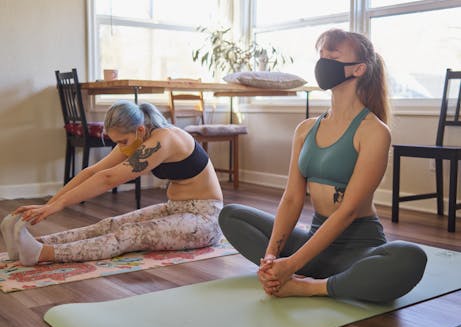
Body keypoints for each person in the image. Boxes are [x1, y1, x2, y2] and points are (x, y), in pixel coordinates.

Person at [218, 28, 427, 303]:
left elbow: (349, 210)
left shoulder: (374, 131)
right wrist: (271, 257)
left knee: (411, 257)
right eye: (322, 54)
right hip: (313, 242)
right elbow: (292, 198)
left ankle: (309, 286)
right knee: (231, 215)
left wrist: (290, 265)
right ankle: (315, 273)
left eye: (333, 55)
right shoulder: (305, 130)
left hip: (357, 247)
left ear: (359, 69)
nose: (323, 61)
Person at [1, 101, 223, 266]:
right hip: (173, 209)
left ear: (140, 130)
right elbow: (94, 171)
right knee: (107, 225)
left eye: (123, 142)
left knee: (129, 234)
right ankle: (32, 243)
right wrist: (49, 204)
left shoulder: (165, 139)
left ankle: (42, 253)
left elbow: (108, 178)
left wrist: (57, 207)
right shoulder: (136, 137)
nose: (122, 148)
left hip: (205, 220)